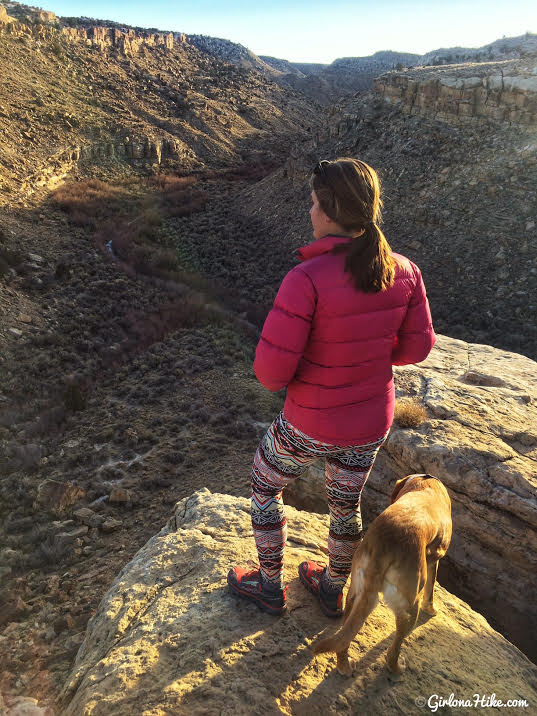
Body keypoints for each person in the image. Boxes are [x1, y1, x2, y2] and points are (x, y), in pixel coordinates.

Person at [228, 157, 436, 617]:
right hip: (369, 420)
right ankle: (332, 589)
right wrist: (368, 359)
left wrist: (321, 367)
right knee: (345, 503)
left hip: (309, 420)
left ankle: (268, 585)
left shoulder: (306, 279)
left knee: (264, 486)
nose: (309, 212)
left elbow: (269, 374)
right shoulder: (405, 270)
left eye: (314, 204)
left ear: (330, 211)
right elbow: (418, 347)